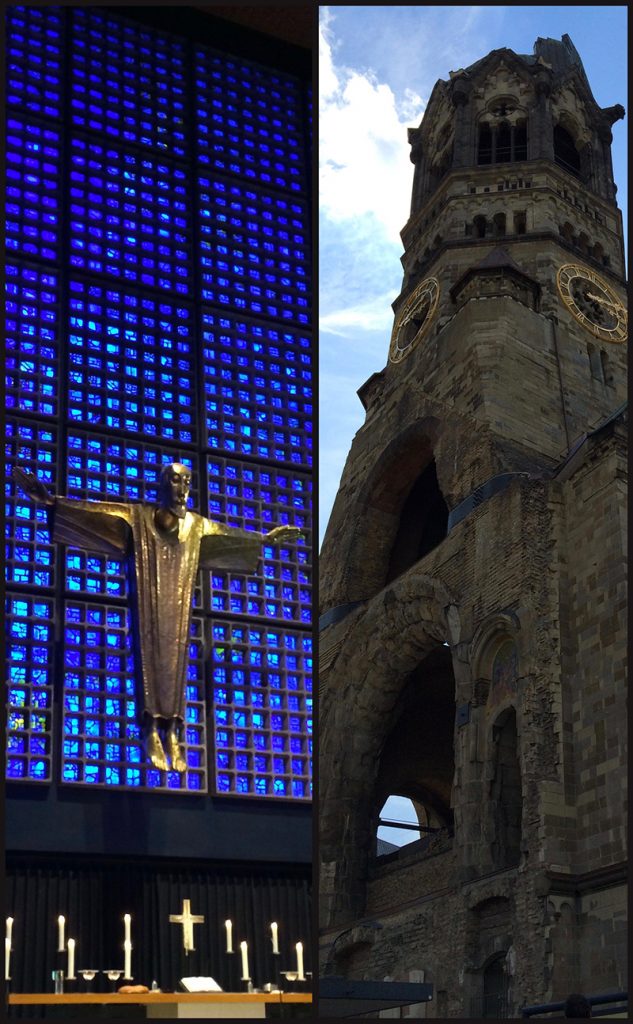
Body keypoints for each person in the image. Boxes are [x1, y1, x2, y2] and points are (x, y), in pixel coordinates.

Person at [14, 463, 302, 772]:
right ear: (162, 486)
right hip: (148, 598)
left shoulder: (196, 527)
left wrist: (263, 540)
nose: (182, 490)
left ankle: (173, 732)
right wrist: (49, 501)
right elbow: (95, 513)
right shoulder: (137, 518)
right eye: (176, 481)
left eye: (187, 483)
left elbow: (227, 534)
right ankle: (150, 729)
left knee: (176, 658)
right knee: (149, 651)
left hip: (178, 604)